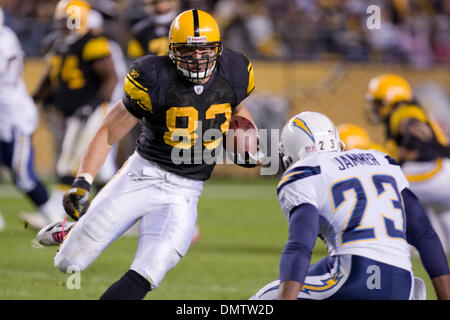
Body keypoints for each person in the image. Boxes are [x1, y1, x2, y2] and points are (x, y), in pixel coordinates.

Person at [36, 9, 256, 300]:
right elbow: (107, 132)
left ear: (218, 49)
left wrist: (249, 143)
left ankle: (91, 226)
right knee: (68, 263)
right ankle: (75, 230)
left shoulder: (236, 71)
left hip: (185, 191)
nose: (198, 58)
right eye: (188, 51)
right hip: (141, 176)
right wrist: (83, 180)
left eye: (204, 50)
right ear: (173, 51)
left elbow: (238, 110)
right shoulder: (153, 76)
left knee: (149, 271)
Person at [251, 111, 450, 300]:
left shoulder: (306, 172)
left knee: (263, 299)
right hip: (403, 283)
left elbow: (300, 245)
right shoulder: (381, 160)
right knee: (322, 271)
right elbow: (425, 234)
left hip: (356, 276)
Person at [27, 0, 121, 229]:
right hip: (73, 113)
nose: (62, 25)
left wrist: (93, 105)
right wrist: (34, 99)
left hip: (94, 111)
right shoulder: (60, 44)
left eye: (66, 20)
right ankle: (120, 214)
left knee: (71, 162)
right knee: (101, 170)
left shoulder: (92, 43)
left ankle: (52, 213)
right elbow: (52, 78)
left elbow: (111, 77)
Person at [366, 74, 450, 254]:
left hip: (438, 170)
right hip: (441, 172)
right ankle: (431, 242)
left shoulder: (402, 112)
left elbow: (414, 126)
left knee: (381, 182)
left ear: (389, 100)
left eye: (378, 102)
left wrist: (406, 149)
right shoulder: (408, 109)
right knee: (441, 213)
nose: (374, 107)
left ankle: (399, 240)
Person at [0, 6, 63, 227]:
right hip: (4, 116)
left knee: (23, 177)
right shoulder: (7, 35)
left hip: (14, 118)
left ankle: (54, 218)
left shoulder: (4, 41)